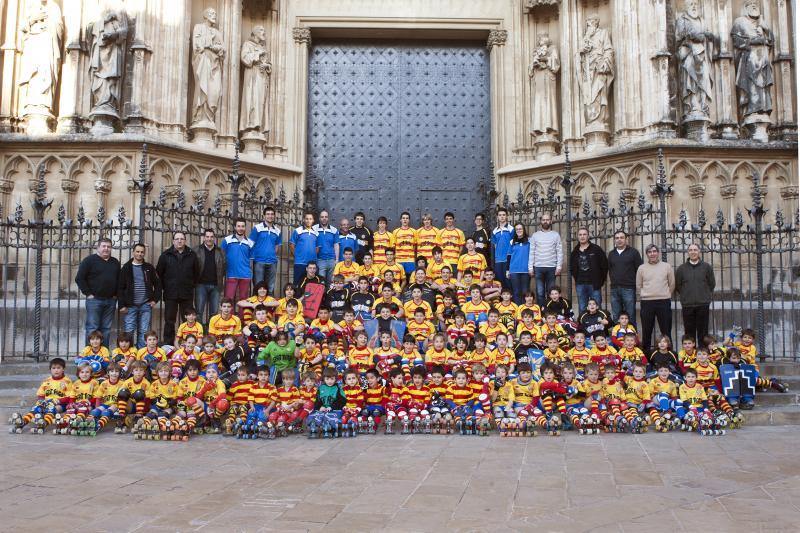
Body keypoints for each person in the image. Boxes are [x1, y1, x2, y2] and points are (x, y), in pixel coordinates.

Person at [75, 237, 120, 346]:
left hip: (110, 301)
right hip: (94, 300)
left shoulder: (115, 262)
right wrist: (88, 294)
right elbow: (79, 278)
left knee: (106, 329)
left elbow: (119, 280)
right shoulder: (89, 260)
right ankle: (90, 354)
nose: (106, 249)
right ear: (98, 247)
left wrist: (115, 295)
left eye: (108, 247)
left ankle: (103, 354)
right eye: (103, 246)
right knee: (92, 328)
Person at [157, 232, 199, 346]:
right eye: (177, 239)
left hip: (186, 293)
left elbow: (196, 273)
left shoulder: (192, 255)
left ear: (185, 240)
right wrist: (165, 288)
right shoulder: (165, 255)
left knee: (189, 321)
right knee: (170, 321)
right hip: (171, 294)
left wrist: (190, 285)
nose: (179, 241)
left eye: (182, 239)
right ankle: (168, 345)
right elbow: (159, 274)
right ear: (173, 241)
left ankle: (189, 344)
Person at [8, 357, 71, 433]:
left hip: (61, 404)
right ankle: (23, 421)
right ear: (50, 370)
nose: (56, 370)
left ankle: (44, 423)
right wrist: (41, 400)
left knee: (51, 408)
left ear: (63, 369)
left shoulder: (67, 381)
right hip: (47, 402)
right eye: (53, 368)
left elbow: (69, 397)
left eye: (58, 368)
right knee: (36, 408)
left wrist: (57, 401)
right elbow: (41, 394)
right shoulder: (47, 381)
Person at [118, 243, 161, 349]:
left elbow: (158, 284)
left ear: (144, 253)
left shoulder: (149, 268)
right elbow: (120, 287)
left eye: (142, 252)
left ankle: (141, 354)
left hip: (145, 305)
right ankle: (129, 353)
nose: (140, 254)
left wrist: (155, 300)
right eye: (137, 251)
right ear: (133, 252)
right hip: (130, 305)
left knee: (144, 331)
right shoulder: (126, 268)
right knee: (129, 331)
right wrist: (122, 305)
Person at [636, 244, 675, 354]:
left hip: (663, 301)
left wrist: (666, 293)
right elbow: (638, 285)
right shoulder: (642, 268)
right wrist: (644, 294)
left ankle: (669, 355)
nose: (652, 254)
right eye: (649, 252)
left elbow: (672, 283)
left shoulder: (666, 266)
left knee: (666, 330)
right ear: (647, 254)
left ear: (658, 253)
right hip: (647, 302)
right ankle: (647, 357)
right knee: (647, 330)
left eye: (654, 251)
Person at [674, 243, 715, 347]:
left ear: (699, 251)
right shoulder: (681, 269)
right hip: (687, 305)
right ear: (688, 252)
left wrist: (704, 294)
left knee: (703, 331)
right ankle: (690, 354)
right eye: (691, 250)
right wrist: (685, 295)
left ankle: (702, 353)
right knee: (689, 332)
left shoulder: (706, 267)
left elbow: (711, 284)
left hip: (703, 304)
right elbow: (678, 286)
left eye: (695, 250)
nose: (693, 252)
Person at [569, 227, 608, 314]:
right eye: (580, 235)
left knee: (597, 307)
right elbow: (571, 267)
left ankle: (599, 326)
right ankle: (583, 326)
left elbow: (604, 266)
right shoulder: (574, 252)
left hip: (594, 284)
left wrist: (600, 281)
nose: (582, 236)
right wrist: (576, 279)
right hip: (580, 284)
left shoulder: (596, 249)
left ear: (588, 236)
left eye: (584, 234)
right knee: (582, 307)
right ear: (578, 237)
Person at [607, 230, 642, 325]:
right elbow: (609, 269)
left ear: (626, 239)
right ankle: (617, 336)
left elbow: (639, 270)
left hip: (629, 288)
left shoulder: (634, 252)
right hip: (614, 289)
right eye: (617, 238)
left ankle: (631, 337)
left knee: (630, 315)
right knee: (616, 315)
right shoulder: (611, 254)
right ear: (614, 240)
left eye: (622, 238)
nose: (619, 240)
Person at [528, 212, 563, 308]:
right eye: (543, 220)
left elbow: (559, 251)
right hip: (538, 267)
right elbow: (531, 252)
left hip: (552, 267)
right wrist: (530, 268)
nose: (545, 221)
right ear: (541, 222)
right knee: (539, 292)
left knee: (551, 292)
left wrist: (559, 266)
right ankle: (541, 313)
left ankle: (550, 312)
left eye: (547, 220)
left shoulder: (556, 235)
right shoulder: (535, 235)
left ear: (551, 221)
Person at [194, 229, 226, 326]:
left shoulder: (220, 251)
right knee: (199, 311)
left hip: (216, 285)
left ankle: (211, 334)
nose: (209, 239)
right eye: (207, 236)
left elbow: (224, 267)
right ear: (204, 238)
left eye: (211, 237)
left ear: (214, 238)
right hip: (200, 285)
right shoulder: (196, 250)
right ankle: (200, 334)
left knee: (214, 312)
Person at [221, 218, 255, 306]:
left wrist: (249, 273)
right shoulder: (227, 240)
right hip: (231, 274)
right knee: (229, 299)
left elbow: (251, 260)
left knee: (244, 299)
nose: (240, 228)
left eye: (243, 226)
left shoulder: (250, 242)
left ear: (245, 228)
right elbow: (221, 256)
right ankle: (230, 319)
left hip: (245, 275)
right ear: (235, 227)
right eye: (238, 226)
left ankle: (242, 319)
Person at [250, 207, 282, 295]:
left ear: (274, 216)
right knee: (258, 288)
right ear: (264, 216)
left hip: (272, 263)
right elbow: (251, 244)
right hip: (259, 261)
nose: (270, 216)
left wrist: (271, 255)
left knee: (270, 288)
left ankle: (268, 308)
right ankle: (257, 308)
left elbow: (277, 247)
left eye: (272, 214)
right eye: (268, 214)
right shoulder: (257, 228)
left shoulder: (277, 231)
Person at [506, 223, 531, 305]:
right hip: (514, 270)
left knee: (525, 292)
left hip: (526, 270)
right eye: (517, 229)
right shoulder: (511, 242)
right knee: (516, 292)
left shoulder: (529, 241)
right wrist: (507, 270)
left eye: (520, 229)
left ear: (523, 229)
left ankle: (525, 310)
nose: (519, 230)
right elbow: (509, 256)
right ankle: (518, 311)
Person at [290, 212, 318, 284]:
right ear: (303, 220)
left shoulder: (316, 233)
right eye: (307, 219)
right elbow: (292, 245)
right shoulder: (298, 231)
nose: (308, 221)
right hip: (300, 263)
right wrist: (297, 256)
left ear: (313, 220)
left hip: (312, 265)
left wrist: (313, 257)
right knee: (297, 283)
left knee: (311, 285)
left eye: (310, 219)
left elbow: (317, 247)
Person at [313, 209, 339, 285]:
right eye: (322, 217)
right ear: (319, 218)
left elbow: (336, 244)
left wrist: (336, 259)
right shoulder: (314, 229)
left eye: (326, 217)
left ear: (328, 218)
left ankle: (329, 297)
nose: (324, 218)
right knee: (321, 283)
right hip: (320, 260)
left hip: (331, 260)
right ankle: (322, 297)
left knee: (331, 283)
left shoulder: (334, 230)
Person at [492, 208, 514, 290]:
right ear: (497, 217)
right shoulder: (495, 231)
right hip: (498, 261)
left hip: (507, 260)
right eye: (500, 215)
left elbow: (513, 245)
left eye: (504, 215)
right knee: (500, 283)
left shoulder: (511, 229)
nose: (502, 217)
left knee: (508, 283)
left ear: (507, 216)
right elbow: (494, 246)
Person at [393, 211, 417, 279]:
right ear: (400, 220)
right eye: (403, 218)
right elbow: (394, 247)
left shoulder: (413, 231)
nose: (405, 220)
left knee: (411, 277)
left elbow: (415, 247)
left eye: (407, 218)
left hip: (410, 260)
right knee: (398, 278)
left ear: (409, 220)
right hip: (399, 260)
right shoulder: (395, 231)